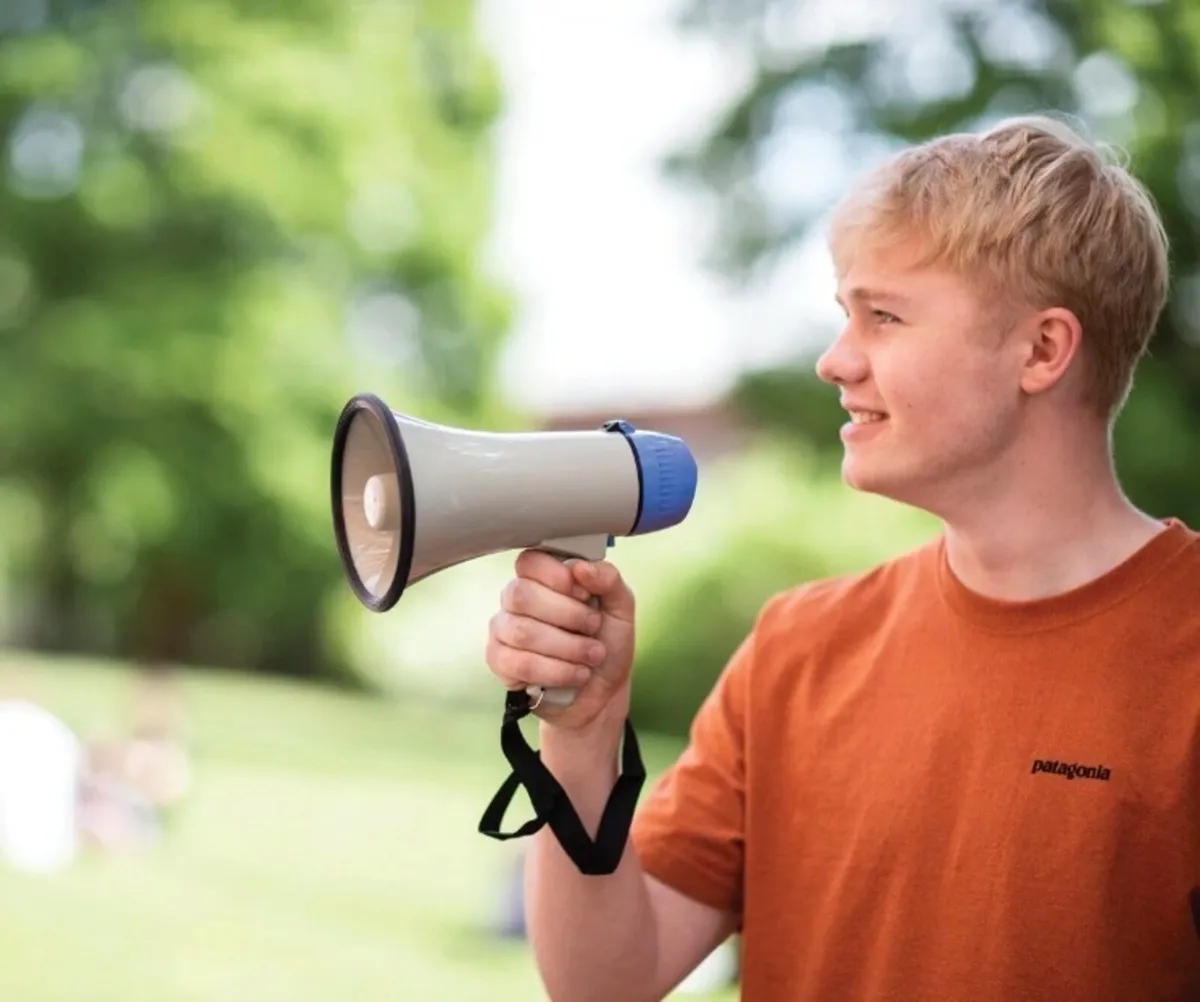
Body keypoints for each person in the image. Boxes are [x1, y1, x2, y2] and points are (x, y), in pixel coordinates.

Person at [484, 113, 1200, 1001]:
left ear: (1042, 350)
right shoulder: (798, 647)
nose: (834, 361)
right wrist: (582, 735)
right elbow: (603, 981)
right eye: (843, 315)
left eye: (884, 316)